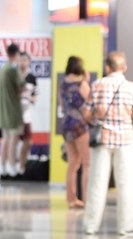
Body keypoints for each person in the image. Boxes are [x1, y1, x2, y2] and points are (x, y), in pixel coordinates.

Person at [82, 51, 133, 235]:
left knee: (97, 183)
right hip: (126, 141)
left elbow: (86, 114)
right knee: (126, 184)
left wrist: (99, 117)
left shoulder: (97, 86)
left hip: (102, 140)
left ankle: (91, 226)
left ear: (107, 67)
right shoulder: (132, 88)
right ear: (124, 68)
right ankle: (126, 228)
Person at [60, 56, 91, 209]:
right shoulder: (82, 84)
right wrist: (86, 79)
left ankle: (71, 199)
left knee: (73, 163)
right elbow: (88, 103)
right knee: (87, 163)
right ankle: (87, 199)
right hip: (79, 126)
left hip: (66, 125)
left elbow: (62, 106)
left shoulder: (63, 85)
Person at [0, 43, 24, 180]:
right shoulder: (13, 70)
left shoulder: (3, 68)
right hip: (12, 111)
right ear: (16, 54)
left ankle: (2, 167)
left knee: (5, 139)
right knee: (13, 139)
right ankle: (12, 167)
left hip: (3, 111)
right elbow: (20, 88)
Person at [18, 51, 38, 175]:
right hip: (14, 114)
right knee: (12, 140)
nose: (22, 62)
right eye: (20, 60)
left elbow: (35, 96)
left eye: (25, 60)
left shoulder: (32, 78)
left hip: (26, 113)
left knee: (28, 141)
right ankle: (13, 166)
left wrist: (28, 97)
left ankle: (22, 164)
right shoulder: (14, 75)